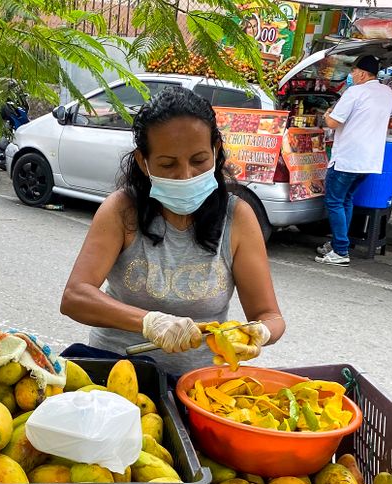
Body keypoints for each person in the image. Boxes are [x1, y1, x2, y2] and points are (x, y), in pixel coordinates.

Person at [59, 87, 286, 377]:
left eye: (199, 160)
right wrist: (150, 322)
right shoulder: (121, 210)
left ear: (216, 150)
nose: (186, 175)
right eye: (167, 164)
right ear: (144, 162)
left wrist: (260, 332)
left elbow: (269, 315)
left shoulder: (238, 217)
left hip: (199, 383)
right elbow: (75, 297)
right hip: (118, 371)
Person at [316, 55, 392, 267]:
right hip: (370, 159)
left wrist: (327, 114)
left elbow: (333, 122)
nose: (351, 76)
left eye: (353, 72)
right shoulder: (388, 93)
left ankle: (341, 250)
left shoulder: (355, 92)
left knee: (334, 201)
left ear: (361, 73)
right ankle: (338, 243)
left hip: (348, 158)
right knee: (346, 199)